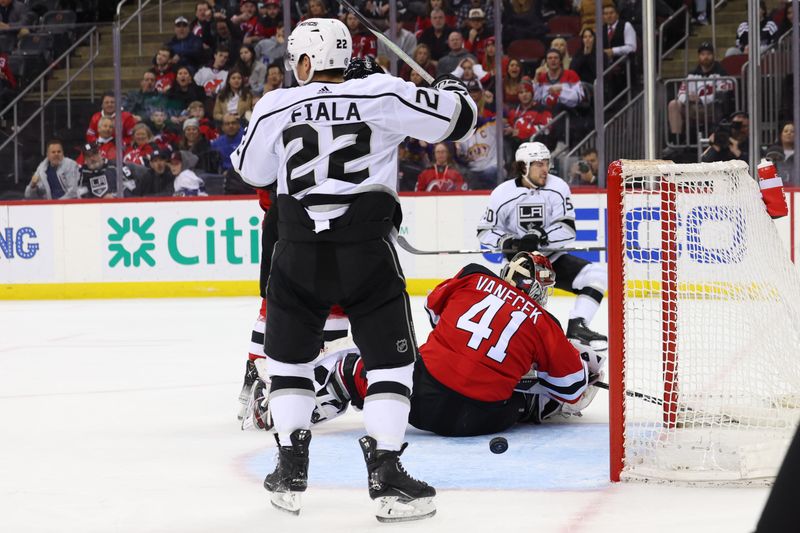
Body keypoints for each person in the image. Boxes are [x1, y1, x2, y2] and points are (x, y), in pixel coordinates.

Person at [230, 18, 477, 521]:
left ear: (303, 62)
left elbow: (250, 170)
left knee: (290, 360)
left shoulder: (275, 103)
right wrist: (451, 88)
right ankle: (386, 475)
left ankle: (289, 467)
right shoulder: (380, 92)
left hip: (295, 252)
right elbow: (460, 119)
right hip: (366, 254)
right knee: (389, 365)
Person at [242, 252, 605, 436]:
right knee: (535, 389)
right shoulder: (545, 322)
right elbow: (573, 388)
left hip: (422, 402)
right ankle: (533, 407)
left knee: (350, 365)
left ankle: (282, 412)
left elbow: (433, 309)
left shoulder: (473, 276)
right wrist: (554, 371)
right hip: (488, 421)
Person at [477, 141, 608, 347]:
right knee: (516, 321)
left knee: (597, 275)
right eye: (538, 164)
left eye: (546, 163)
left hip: (551, 261)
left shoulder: (558, 187)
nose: (545, 169)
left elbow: (567, 229)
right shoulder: (502, 193)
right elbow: (485, 231)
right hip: (518, 266)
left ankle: (578, 327)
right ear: (523, 167)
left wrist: (540, 235)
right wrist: (506, 241)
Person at [667, 42, 733, 140]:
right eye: (703, 54)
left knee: (717, 104)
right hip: (693, 107)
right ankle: (676, 141)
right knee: (673, 104)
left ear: (713, 56)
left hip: (713, 108)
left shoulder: (721, 73)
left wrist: (701, 99)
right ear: (699, 56)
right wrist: (688, 98)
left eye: (708, 54)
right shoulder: (692, 74)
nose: (706, 57)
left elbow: (723, 93)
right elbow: (681, 93)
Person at [766, 121, 796, 186]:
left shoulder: (798, 154)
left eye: (792, 131)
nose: (789, 133)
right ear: (781, 135)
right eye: (786, 131)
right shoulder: (773, 152)